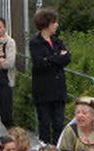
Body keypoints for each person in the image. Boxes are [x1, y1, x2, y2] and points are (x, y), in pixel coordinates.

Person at [30, 8, 71, 144]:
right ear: (47, 23)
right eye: (54, 22)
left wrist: (50, 59)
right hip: (43, 90)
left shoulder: (57, 41)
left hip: (58, 89)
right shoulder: (35, 42)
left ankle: (58, 150)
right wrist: (57, 57)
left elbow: (67, 58)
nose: (57, 25)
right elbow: (40, 63)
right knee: (45, 124)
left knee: (59, 123)